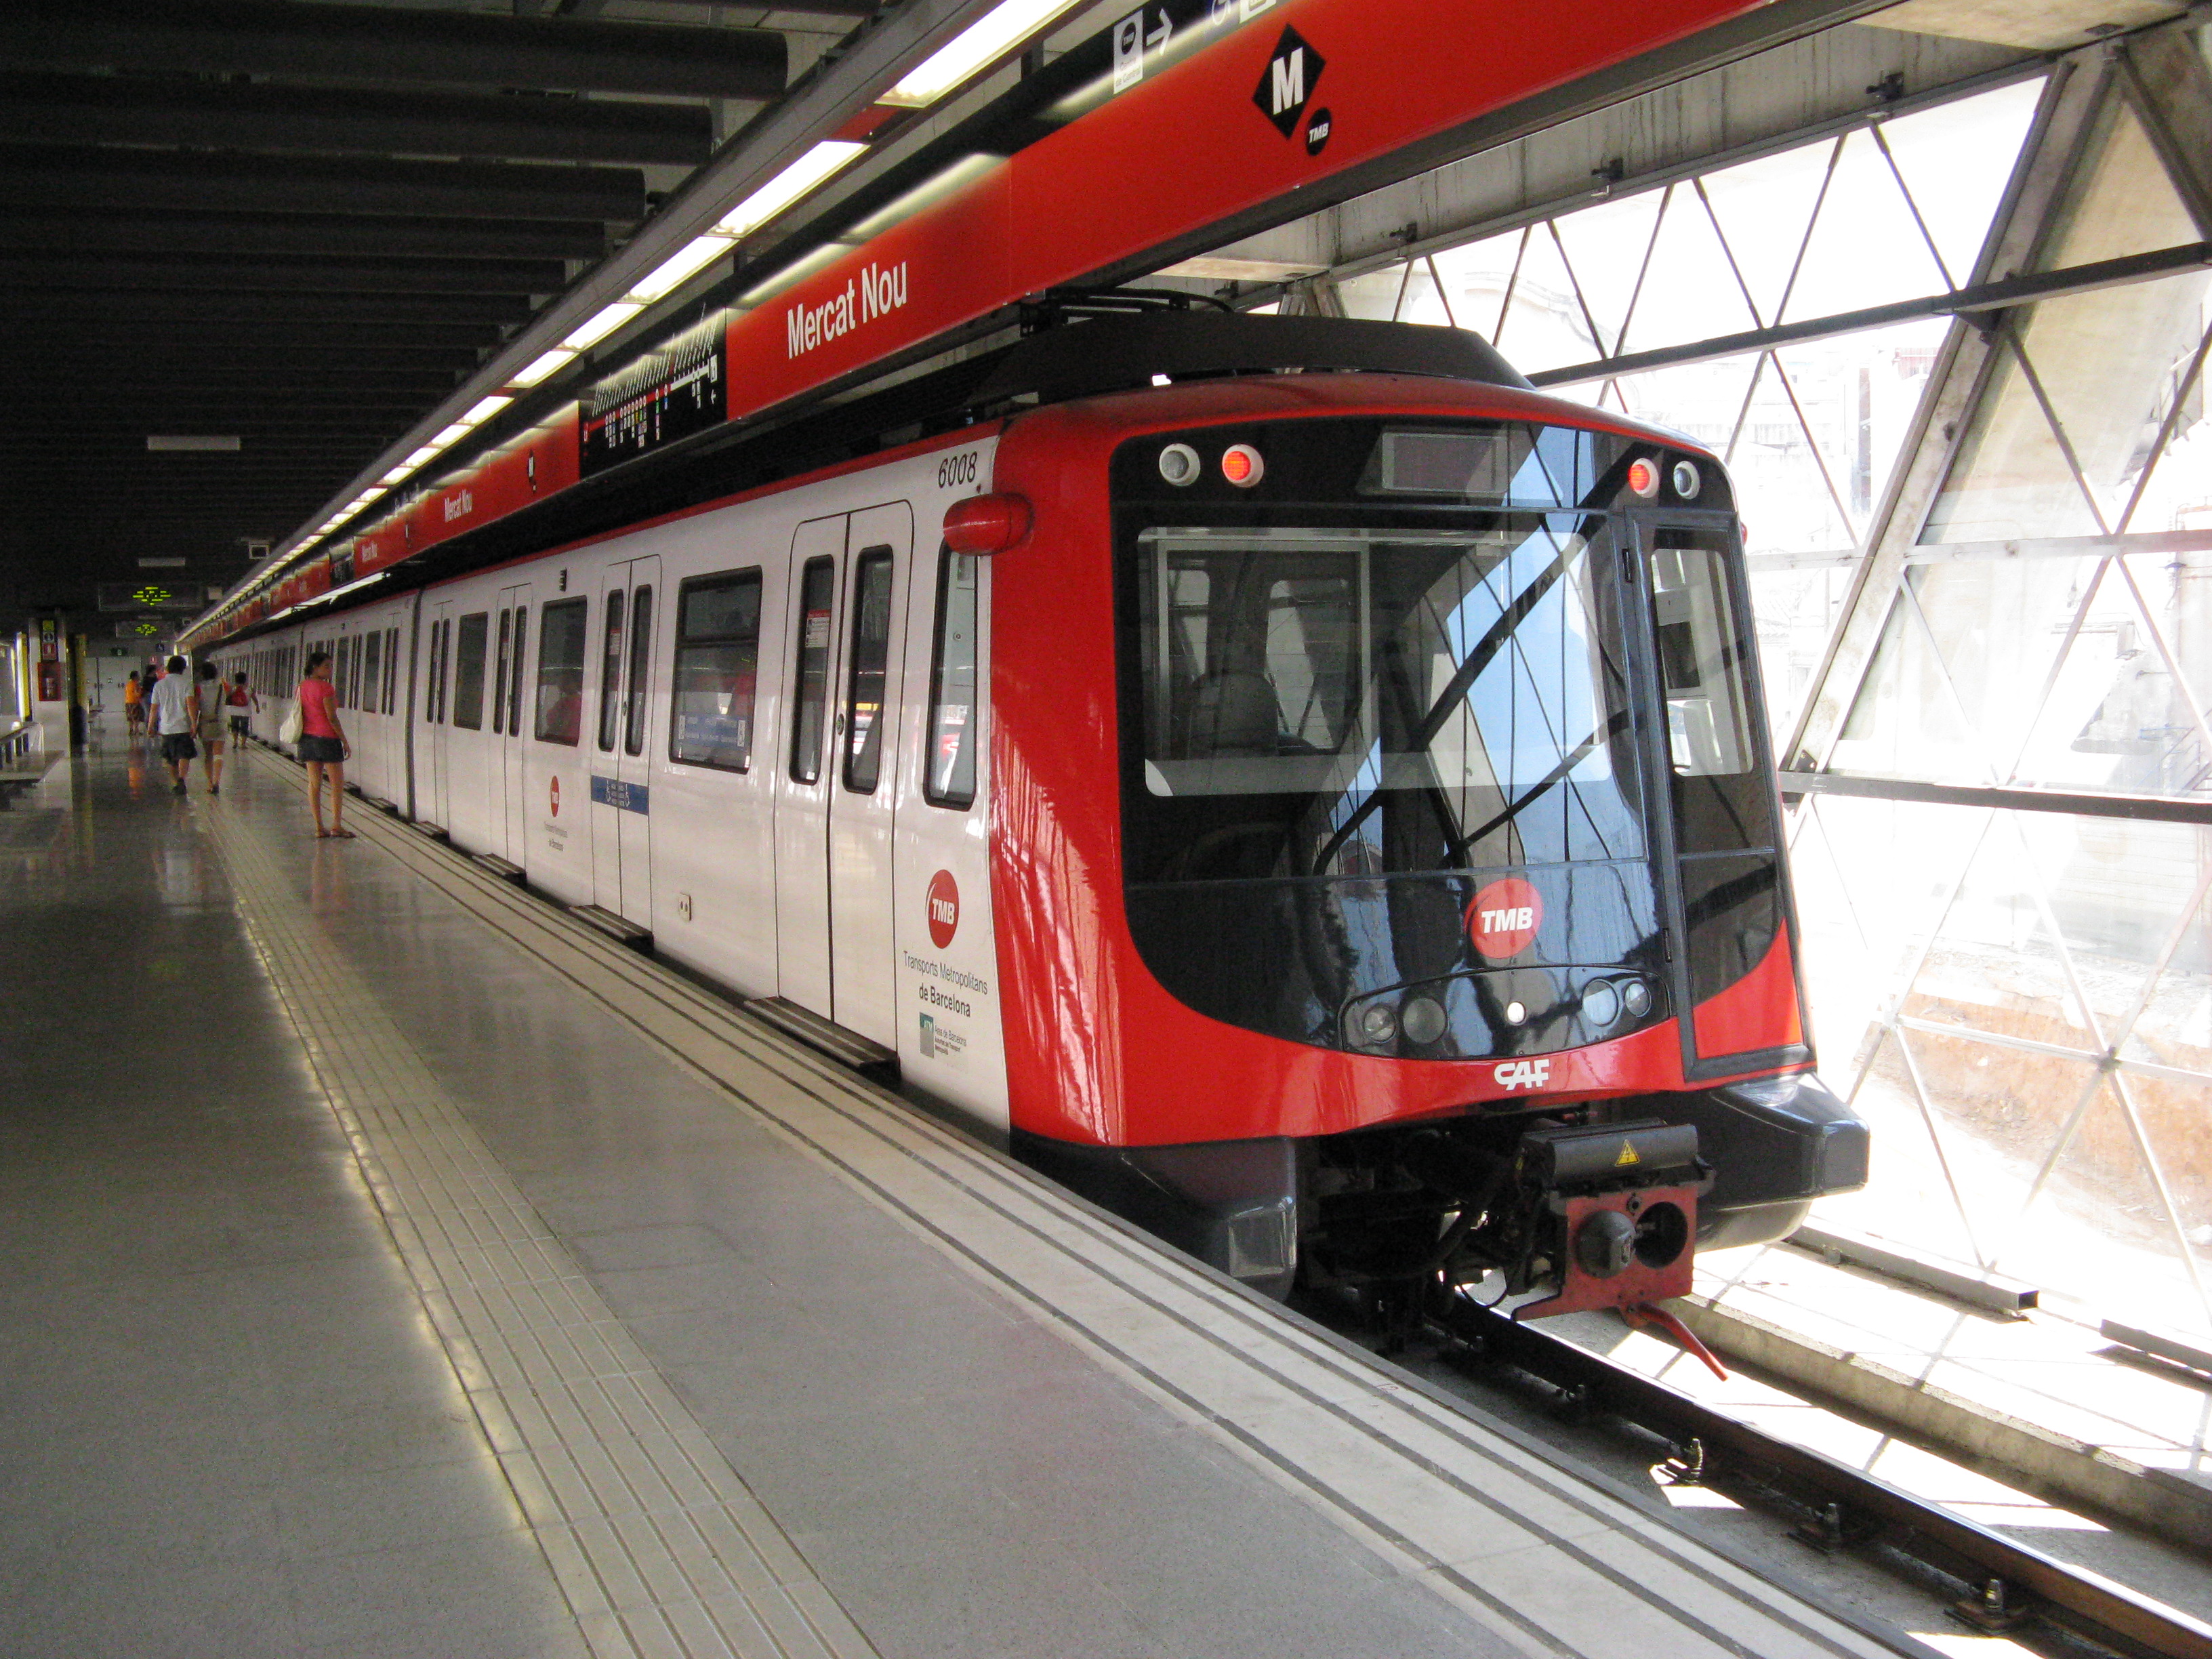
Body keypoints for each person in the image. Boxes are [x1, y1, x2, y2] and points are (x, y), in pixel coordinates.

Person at [297, 651, 352, 838]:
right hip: (328, 739)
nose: (330, 670)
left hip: (308, 739)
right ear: (315, 667)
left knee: (314, 784)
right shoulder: (326, 689)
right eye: (326, 666)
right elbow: (332, 717)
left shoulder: (302, 686)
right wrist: (344, 740)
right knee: (336, 784)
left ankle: (319, 828)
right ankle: (336, 825)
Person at [148, 654, 197, 796]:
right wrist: (194, 723)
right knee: (184, 755)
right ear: (183, 668)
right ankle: (182, 779)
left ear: (168, 668)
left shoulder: (159, 685)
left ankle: (176, 782)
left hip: (167, 727)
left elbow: (154, 708)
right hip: (183, 726)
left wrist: (150, 726)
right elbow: (191, 705)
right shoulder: (187, 683)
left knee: (170, 758)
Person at [192, 661, 229, 796]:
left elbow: (196, 707)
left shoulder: (198, 688)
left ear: (202, 674)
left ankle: (210, 783)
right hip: (221, 723)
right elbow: (229, 698)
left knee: (208, 755)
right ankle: (217, 782)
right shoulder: (224, 685)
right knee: (218, 754)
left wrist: (194, 725)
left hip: (206, 723)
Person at [227, 671, 258, 747]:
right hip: (245, 712)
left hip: (234, 711)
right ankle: (243, 744)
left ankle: (235, 742)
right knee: (244, 728)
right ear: (245, 679)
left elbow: (228, 697)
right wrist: (257, 706)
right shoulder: (249, 688)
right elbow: (254, 698)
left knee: (235, 727)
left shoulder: (233, 688)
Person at [122, 671, 144, 737]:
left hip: (128, 702)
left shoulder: (128, 684)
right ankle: (136, 731)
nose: (139, 677)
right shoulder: (136, 684)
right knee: (136, 717)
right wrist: (141, 691)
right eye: (138, 676)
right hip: (135, 702)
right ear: (135, 677)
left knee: (130, 717)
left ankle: (131, 730)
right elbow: (137, 694)